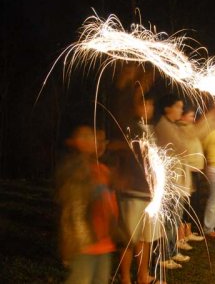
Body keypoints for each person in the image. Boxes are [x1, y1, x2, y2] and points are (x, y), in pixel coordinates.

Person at [107, 70, 164, 284]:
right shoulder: (128, 126)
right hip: (132, 191)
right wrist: (136, 86)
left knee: (146, 239)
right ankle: (124, 279)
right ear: (135, 105)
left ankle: (142, 276)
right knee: (129, 239)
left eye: (150, 104)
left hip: (149, 194)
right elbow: (118, 147)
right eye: (144, 103)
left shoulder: (149, 130)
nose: (149, 107)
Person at [56, 126, 118, 284]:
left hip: (104, 243)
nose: (96, 142)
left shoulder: (103, 170)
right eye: (87, 137)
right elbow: (72, 208)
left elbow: (110, 202)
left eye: (96, 138)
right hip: (85, 243)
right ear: (74, 142)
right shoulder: (74, 170)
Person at [154, 93, 191, 269]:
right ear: (167, 108)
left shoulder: (172, 126)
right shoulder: (164, 126)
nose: (181, 110)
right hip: (170, 183)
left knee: (174, 220)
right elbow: (183, 147)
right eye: (178, 106)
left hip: (178, 182)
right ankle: (164, 255)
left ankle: (172, 251)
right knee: (169, 221)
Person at [178, 104, 215, 241]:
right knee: (187, 204)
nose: (193, 119)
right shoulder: (182, 129)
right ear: (183, 116)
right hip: (188, 170)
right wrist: (210, 114)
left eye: (193, 116)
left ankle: (188, 232)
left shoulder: (189, 128)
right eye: (190, 116)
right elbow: (201, 129)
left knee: (193, 203)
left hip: (195, 170)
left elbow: (202, 129)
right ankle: (182, 236)